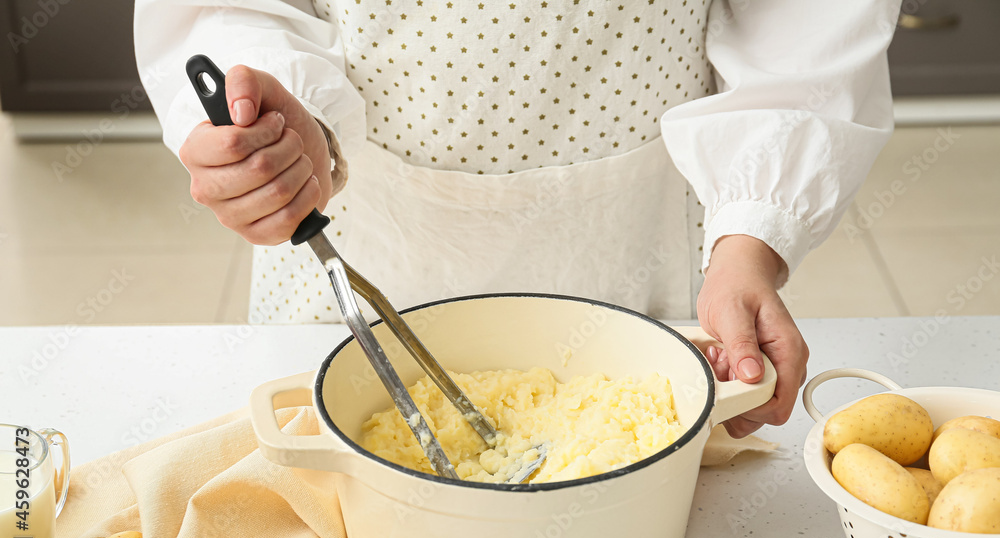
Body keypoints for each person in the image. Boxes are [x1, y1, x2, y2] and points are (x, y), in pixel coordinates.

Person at [135, 0, 902, 438]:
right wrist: (272, 125)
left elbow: (806, 22)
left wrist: (753, 237)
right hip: (350, 245)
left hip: (637, 263)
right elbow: (224, 12)